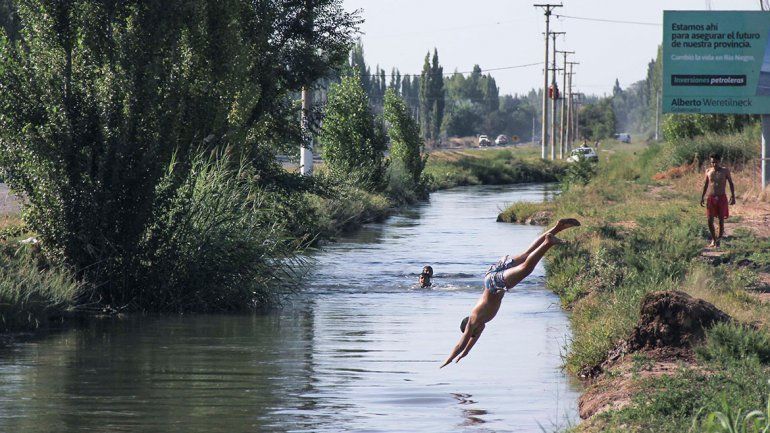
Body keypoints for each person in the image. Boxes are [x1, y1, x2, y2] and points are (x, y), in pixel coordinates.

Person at [440, 218, 581, 368]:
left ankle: (548, 242)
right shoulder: (480, 324)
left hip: (495, 284)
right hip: (491, 275)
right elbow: (468, 347)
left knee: (526, 268)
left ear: (470, 328)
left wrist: (446, 361)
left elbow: (461, 344)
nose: (478, 333)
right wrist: (463, 356)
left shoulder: (474, 320)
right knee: (526, 255)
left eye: (473, 333)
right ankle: (558, 227)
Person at [700, 153, 735, 248]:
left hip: (721, 198)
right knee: (709, 220)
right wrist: (702, 197)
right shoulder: (708, 171)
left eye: (716, 162)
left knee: (721, 220)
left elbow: (731, 183)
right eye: (712, 162)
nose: (714, 164)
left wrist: (733, 196)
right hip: (711, 198)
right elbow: (705, 184)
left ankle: (718, 240)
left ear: (719, 161)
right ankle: (714, 239)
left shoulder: (725, 171)